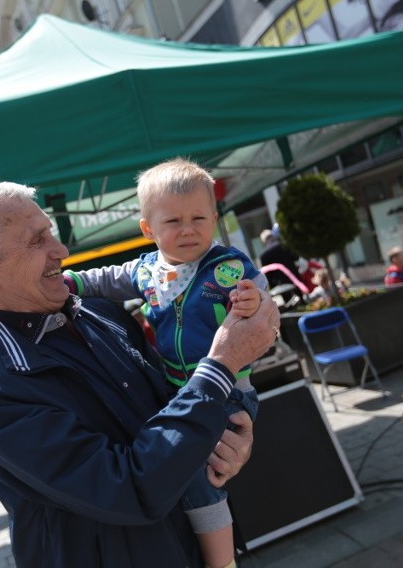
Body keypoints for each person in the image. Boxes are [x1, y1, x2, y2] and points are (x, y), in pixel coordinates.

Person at [0, 180, 279, 568]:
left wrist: (225, 438)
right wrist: (222, 365)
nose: (60, 251)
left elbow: (175, 407)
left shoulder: (99, 311)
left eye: (52, 234)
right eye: (36, 241)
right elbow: (128, 488)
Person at [62, 158, 266, 568]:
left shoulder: (228, 266)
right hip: (178, 389)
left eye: (199, 217)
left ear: (214, 217)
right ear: (148, 229)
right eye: (173, 220)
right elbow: (106, 279)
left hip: (228, 389)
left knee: (197, 476)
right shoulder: (146, 271)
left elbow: (261, 300)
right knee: (186, 471)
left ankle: (222, 562)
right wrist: (72, 282)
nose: (188, 229)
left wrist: (254, 301)